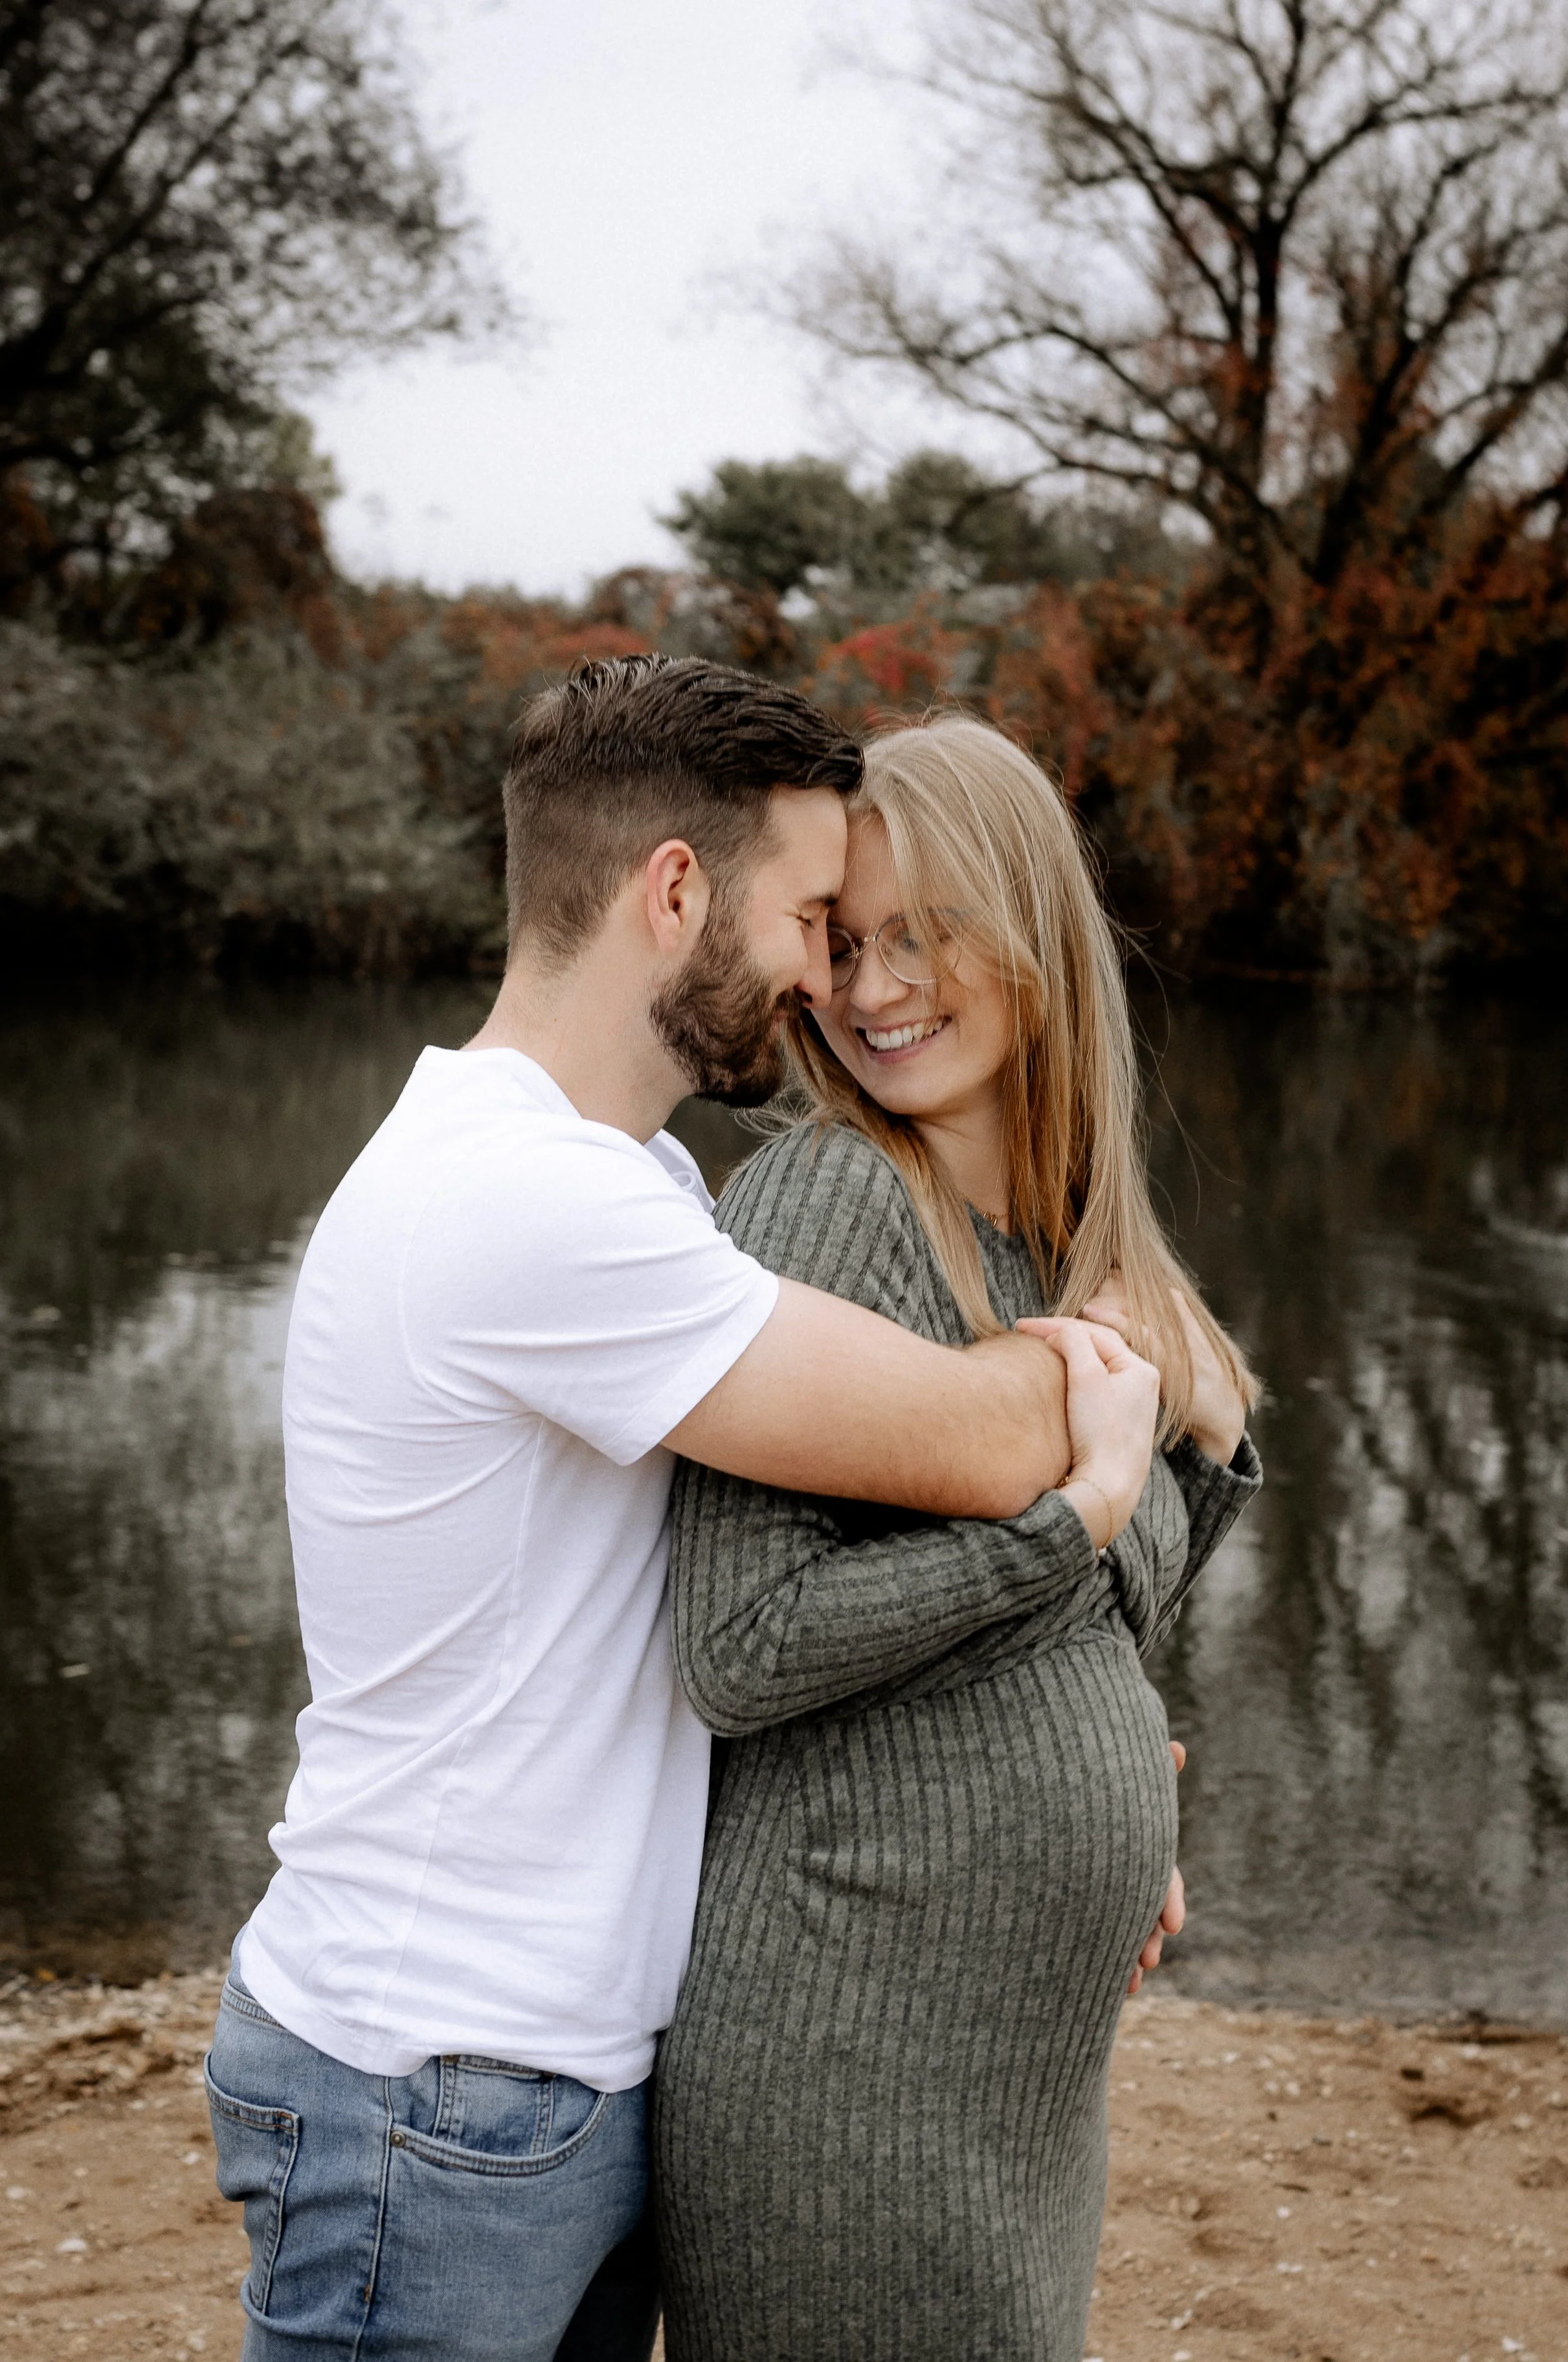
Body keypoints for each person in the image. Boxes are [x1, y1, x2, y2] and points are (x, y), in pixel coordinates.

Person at [203, 657, 1148, 2362]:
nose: (822, 981)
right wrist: (1101, 1408)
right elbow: (985, 1436)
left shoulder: (623, 1183)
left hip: (546, 2084)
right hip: (426, 2083)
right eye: (811, 917)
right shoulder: (520, 1204)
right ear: (675, 891)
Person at [653, 714, 1263, 2362]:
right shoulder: (827, 1201)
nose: (870, 989)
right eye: (841, 944)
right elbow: (741, 1648)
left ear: (1036, 935)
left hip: (1011, 2083)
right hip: (849, 2069)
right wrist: (1070, 1523)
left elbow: (1090, 1623)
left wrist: (1123, 1796)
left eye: (922, 933)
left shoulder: (1062, 1248)